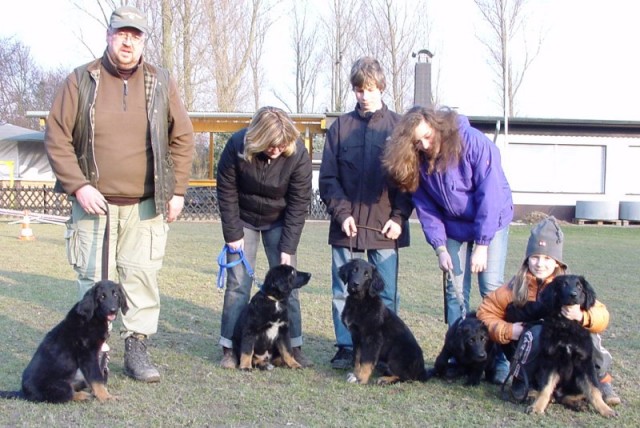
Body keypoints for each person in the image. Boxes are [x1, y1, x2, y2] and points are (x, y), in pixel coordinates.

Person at [44, 6, 194, 383]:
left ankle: (137, 349)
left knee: (142, 279)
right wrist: (78, 185)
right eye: (121, 34)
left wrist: (176, 190)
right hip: (94, 205)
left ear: (143, 41)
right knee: (93, 283)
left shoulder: (162, 82)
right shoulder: (81, 80)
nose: (128, 41)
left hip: (145, 205)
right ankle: (96, 353)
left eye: (136, 35)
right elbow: (57, 137)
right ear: (109, 36)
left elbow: (183, 137)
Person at [382, 105, 512, 383]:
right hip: (452, 225)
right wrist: (440, 247)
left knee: (491, 288)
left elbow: (490, 194)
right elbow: (426, 207)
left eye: (428, 136)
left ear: (436, 124)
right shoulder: (417, 161)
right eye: (418, 142)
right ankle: (458, 355)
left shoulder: (472, 142)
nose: (425, 145)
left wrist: (483, 243)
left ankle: (498, 360)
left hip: (491, 220)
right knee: (454, 289)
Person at [319, 57, 413, 369]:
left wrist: (398, 218)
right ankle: (346, 347)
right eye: (359, 89)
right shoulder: (339, 128)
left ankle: (384, 353)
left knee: (384, 296)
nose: (364, 95)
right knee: (340, 292)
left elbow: (409, 180)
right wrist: (342, 214)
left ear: (381, 88)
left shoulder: (399, 128)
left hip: (386, 230)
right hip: (345, 228)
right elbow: (328, 179)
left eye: (370, 89)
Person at [476, 216, 621, 405]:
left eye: (547, 258)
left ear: (557, 263)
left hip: (562, 355)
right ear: (527, 260)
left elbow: (602, 313)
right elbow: (484, 313)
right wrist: (509, 330)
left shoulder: (569, 286)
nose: (540, 263)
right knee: (536, 332)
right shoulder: (512, 288)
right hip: (527, 351)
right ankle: (524, 382)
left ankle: (601, 382)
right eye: (535, 257)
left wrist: (583, 316)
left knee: (588, 334)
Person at [216, 106, 313, 369]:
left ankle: (293, 347)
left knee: (288, 285)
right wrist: (233, 233)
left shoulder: (298, 154)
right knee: (238, 283)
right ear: (258, 138)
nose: (277, 149)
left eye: (282, 145)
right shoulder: (237, 145)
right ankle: (229, 348)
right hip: (243, 218)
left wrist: (288, 246)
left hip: (280, 220)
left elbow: (299, 202)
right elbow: (226, 190)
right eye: (271, 145)